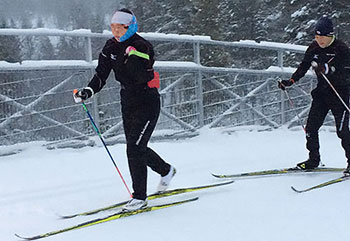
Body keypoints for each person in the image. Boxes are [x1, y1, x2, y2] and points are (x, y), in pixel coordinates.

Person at [73, 8, 176, 210]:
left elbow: (143, 75)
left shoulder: (141, 45)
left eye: (120, 28)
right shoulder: (111, 46)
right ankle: (166, 170)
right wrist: (88, 91)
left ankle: (139, 197)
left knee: (134, 148)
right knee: (136, 146)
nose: (116, 32)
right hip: (127, 100)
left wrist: (134, 57)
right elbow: (101, 74)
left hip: (147, 101)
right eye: (113, 27)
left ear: (130, 27)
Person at [278, 16, 350, 176]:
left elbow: (345, 72)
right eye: (316, 37)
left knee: (342, 131)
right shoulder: (314, 48)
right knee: (310, 128)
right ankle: (313, 160)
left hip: (340, 94)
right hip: (322, 94)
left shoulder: (341, 49)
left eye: (322, 37)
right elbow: (303, 66)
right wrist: (290, 81)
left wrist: (328, 69)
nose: (319, 40)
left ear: (331, 35)